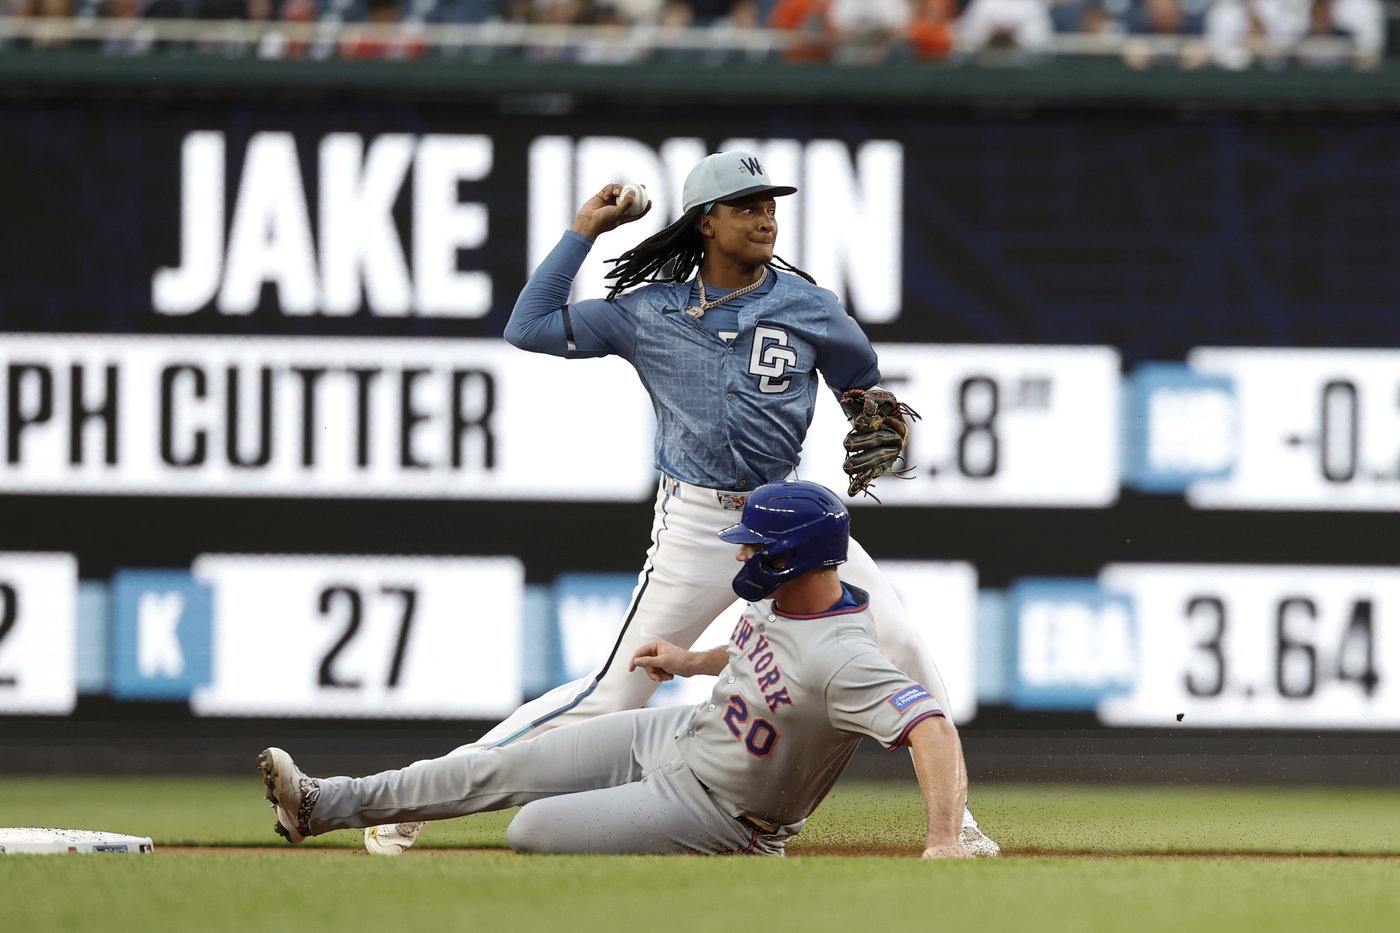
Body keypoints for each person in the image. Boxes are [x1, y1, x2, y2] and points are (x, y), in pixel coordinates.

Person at [362, 148, 998, 857]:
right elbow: (528, 325)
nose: (766, 220)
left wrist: (874, 414)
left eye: (770, 207)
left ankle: (958, 824)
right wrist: (584, 230)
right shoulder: (649, 312)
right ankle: (423, 794)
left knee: (899, 637)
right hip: (697, 523)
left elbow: (865, 392)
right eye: (747, 208)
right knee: (612, 694)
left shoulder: (811, 307)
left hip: (789, 521)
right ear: (706, 222)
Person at [260, 481, 971, 858]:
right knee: (502, 765)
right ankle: (321, 803)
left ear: (796, 555)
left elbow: (932, 727)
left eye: (755, 546)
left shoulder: (847, 655)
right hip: (679, 737)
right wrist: (693, 660)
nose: (741, 556)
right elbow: (766, 656)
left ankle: (744, 857)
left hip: (725, 813)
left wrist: (943, 840)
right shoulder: (793, 598)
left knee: (530, 829)